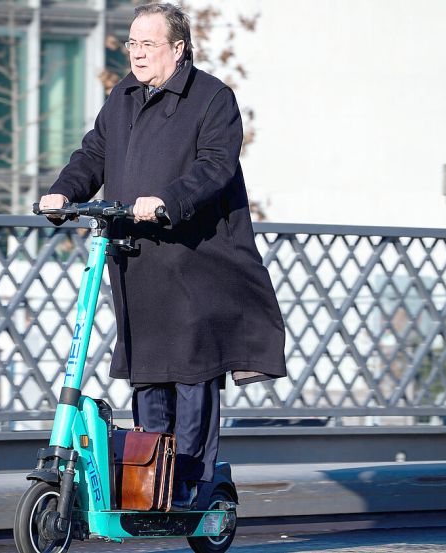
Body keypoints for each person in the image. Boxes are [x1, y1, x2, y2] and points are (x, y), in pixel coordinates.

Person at [38, 1, 286, 510]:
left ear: (178, 48)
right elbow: (93, 154)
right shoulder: (123, 96)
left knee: (193, 374)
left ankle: (191, 484)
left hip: (196, 262)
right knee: (148, 374)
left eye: (148, 44)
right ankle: (150, 483)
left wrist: (167, 201)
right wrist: (64, 192)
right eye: (132, 43)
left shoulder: (212, 98)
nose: (137, 53)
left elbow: (215, 167)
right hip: (136, 260)